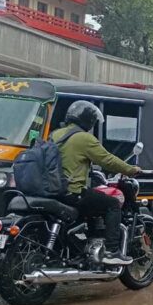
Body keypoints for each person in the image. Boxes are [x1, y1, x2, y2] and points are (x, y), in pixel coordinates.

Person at [51, 101, 141, 265]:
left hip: (52, 191)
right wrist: (130, 169)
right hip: (72, 192)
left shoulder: (56, 134)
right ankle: (112, 251)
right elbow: (107, 160)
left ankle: (87, 244)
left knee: (93, 204)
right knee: (112, 204)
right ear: (88, 121)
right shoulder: (84, 138)